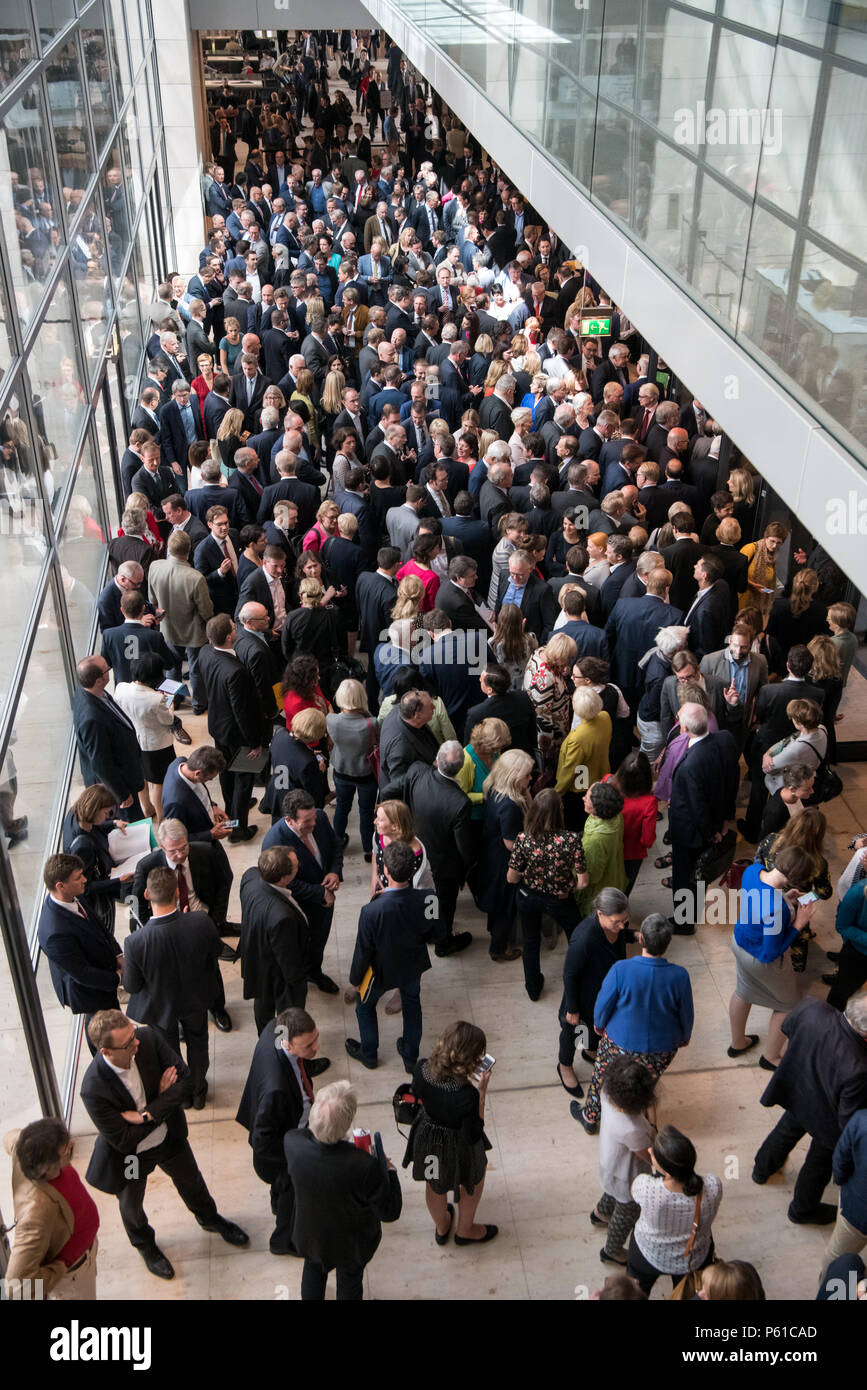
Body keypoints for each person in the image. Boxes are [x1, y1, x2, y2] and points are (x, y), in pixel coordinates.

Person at [80, 1010, 248, 1280]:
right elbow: (123, 1139)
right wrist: (162, 1099)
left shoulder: (147, 1038)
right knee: (131, 1205)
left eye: (133, 1036)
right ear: (106, 1052)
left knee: (192, 1180)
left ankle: (210, 1219)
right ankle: (145, 1245)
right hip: (132, 1157)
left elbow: (186, 1082)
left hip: (168, 1138)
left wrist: (147, 1113)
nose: (136, 1043)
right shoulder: (93, 1088)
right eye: (127, 1044)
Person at [753, 992, 867, 1224]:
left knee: (785, 1132)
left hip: (797, 1088)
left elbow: (788, 1027)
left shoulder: (813, 1008)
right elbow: (848, 1118)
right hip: (827, 1118)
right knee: (819, 1163)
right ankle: (802, 1210)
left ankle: (762, 1169)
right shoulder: (860, 1066)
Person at [283, 1080, 403, 1299]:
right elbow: (390, 1211)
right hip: (351, 1243)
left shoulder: (292, 1143)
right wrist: (389, 1171)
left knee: (313, 1271)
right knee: (350, 1282)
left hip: (311, 1233)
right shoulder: (364, 1165)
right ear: (347, 1123)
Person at [576, 914, 694, 1135]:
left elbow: (603, 1004)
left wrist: (599, 1026)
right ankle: (646, 1124)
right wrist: (683, 1037)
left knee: (602, 1074)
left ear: (641, 939)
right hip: (661, 1047)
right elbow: (686, 1013)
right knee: (646, 1082)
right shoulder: (680, 976)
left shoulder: (621, 969)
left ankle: (590, 1116)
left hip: (619, 1040)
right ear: (668, 943)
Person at [122, 866, 223, 1109]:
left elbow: (132, 986)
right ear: (178, 893)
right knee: (198, 1043)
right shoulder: (200, 921)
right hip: (196, 999)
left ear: (146, 894)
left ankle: (182, 1095)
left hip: (160, 1007)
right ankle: (199, 1092)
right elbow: (216, 953)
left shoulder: (135, 942)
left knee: (167, 1051)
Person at [236, 1006, 329, 1256]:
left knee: (283, 1192)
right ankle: (283, 1241)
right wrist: (294, 1157)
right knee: (293, 1191)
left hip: (285, 1130)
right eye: (308, 1045)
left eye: (316, 1038)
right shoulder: (276, 1089)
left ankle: (278, 1199)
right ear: (288, 1045)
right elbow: (262, 1142)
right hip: (283, 1150)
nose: (316, 1048)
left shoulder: (274, 1028)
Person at [346, 840, 442, 1071]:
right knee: (412, 1006)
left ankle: (369, 1054)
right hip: (412, 966)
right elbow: (438, 934)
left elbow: (363, 950)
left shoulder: (371, 911)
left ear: (385, 871)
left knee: (365, 1007)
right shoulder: (430, 898)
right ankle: (410, 1058)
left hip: (380, 971)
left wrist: (355, 980)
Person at [402, 1021, 497, 1245]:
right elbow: (473, 1133)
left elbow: (418, 1091)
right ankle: (465, 1230)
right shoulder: (467, 1096)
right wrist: (481, 1092)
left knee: (434, 1183)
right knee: (473, 1178)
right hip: (459, 1144)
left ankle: (442, 1225)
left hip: (428, 1138)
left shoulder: (421, 1068)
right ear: (471, 1060)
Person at [727, 846, 816, 1068]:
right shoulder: (776, 909)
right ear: (795, 879)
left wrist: (784, 897)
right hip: (759, 958)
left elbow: (761, 901)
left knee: (743, 991)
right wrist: (798, 924)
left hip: (739, 942)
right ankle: (771, 1057)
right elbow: (769, 954)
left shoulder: (752, 871)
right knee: (788, 1005)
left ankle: (738, 1043)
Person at [384, 742, 475, 956]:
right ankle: (442, 940)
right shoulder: (460, 802)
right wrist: (470, 864)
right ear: (461, 768)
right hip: (443, 864)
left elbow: (388, 790)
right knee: (442, 902)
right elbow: (464, 847)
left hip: (414, 849)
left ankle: (426, 929)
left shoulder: (417, 771)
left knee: (424, 895)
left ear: (437, 759)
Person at [3, 1118, 100, 1299]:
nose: (71, 1144)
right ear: (48, 1167)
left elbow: (8, 1137)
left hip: (85, 1251)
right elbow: (15, 1287)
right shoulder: (36, 1213)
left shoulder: (23, 1147)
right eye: (66, 1150)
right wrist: (59, 1268)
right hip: (73, 1275)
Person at [507, 788, 589, 1003]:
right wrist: (567, 885)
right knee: (578, 938)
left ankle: (533, 988)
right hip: (560, 899)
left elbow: (511, 878)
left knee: (531, 942)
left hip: (528, 897)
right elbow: (583, 882)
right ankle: (580, 980)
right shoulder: (571, 840)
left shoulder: (523, 838)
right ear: (559, 811)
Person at [261, 788, 343, 994]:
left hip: (324, 901)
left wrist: (334, 872)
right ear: (289, 820)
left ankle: (314, 972)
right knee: (299, 946)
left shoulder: (321, 818)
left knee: (319, 940)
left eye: (314, 817)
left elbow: (335, 846)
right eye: (307, 822)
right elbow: (283, 882)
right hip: (298, 907)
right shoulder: (274, 842)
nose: (313, 824)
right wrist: (318, 893)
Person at [37, 853, 122, 1050]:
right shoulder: (54, 932)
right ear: (60, 886)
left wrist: (118, 954)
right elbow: (82, 974)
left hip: (102, 974)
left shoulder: (73, 896)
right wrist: (117, 979)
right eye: (78, 877)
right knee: (104, 1033)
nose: (85, 879)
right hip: (90, 992)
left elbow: (99, 926)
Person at [626, 1125, 722, 1295]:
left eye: (653, 1153)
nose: (649, 1150)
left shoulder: (647, 1188)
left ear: (667, 1171)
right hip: (694, 1259)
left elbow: (632, 1191)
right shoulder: (713, 1185)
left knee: (634, 1289)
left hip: (649, 1253)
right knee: (686, 1292)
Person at [197, 613, 267, 842]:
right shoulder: (235, 672)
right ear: (229, 637)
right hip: (239, 734)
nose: (237, 629)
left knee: (225, 773)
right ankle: (238, 829)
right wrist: (254, 742)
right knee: (244, 779)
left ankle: (232, 809)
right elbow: (242, 712)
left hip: (218, 727)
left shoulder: (205, 652)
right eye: (233, 628)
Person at [557, 888, 633, 1098]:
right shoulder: (583, 939)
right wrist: (572, 1008)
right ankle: (565, 1065)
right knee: (573, 1032)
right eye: (616, 922)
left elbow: (619, 934)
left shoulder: (616, 928)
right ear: (600, 913)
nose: (621, 926)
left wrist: (632, 935)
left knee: (595, 1027)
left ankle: (590, 1051)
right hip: (583, 997)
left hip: (604, 992)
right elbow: (569, 974)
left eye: (624, 921)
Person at [594, 1056, 658, 1266]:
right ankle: (612, 1250)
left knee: (611, 1192)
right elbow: (648, 1156)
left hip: (610, 1163)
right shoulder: (633, 1129)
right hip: (628, 1177)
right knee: (627, 1212)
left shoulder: (606, 1093)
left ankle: (601, 1213)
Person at [475, 749, 534, 962]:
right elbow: (512, 844)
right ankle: (499, 948)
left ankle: (496, 935)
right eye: (526, 775)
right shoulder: (510, 806)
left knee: (496, 905)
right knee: (505, 908)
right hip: (504, 863)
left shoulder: (494, 788)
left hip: (490, 854)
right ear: (513, 776)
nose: (531, 778)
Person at [72, 656, 145, 819]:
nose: (110, 670)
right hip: (117, 786)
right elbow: (101, 763)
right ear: (99, 680)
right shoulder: (92, 719)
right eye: (107, 669)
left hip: (124, 773)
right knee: (133, 822)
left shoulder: (90, 691)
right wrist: (121, 794)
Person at [113, 652, 177, 821]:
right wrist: (169, 701)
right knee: (158, 783)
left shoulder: (121, 688)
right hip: (156, 745)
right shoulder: (156, 699)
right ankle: (163, 817)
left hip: (133, 741)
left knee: (141, 778)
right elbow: (168, 719)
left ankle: (147, 809)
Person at [61, 784, 129, 934]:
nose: (107, 816)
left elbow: (93, 826)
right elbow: (86, 887)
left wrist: (112, 824)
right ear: (94, 810)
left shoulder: (74, 814)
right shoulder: (82, 848)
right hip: (98, 903)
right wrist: (119, 881)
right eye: (105, 813)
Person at [327, 678, 379, 859]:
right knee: (366, 811)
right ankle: (368, 848)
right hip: (365, 774)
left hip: (341, 771)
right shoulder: (371, 723)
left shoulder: (331, 720)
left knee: (342, 806)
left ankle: (337, 842)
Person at [556, 687, 612, 830]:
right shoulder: (605, 717)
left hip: (581, 785)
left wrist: (557, 792)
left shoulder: (578, 738)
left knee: (577, 822)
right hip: (600, 774)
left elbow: (569, 770)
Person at [824, 1108, 867, 1279]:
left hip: (857, 1211)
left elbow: (841, 1158)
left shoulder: (861, 1120)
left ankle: (828, 1291)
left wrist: (841, 1182)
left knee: (837, 1258)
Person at [262, 709, 329, 818]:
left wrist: (307, 751)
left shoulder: (279, 735)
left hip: (276, 795)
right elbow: (316, 799)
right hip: (294, 805)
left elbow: (289, 753)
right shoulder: (308, 761)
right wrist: (320, 772)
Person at [577, 780, 627, 915]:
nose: (583, 798)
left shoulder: (596, 841)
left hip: (599, 893)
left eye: (586, 798)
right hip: (615, 876)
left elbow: (593, 876)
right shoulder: (616, 815)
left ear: (597, 807)